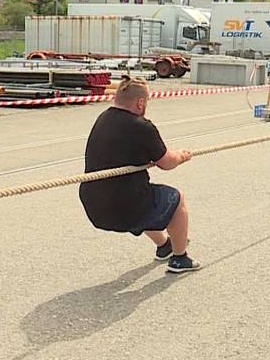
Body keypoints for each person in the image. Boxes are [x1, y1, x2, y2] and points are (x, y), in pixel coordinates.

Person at [78, 77, 201, 273]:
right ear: (140, 102)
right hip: (124, 207)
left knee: (147, 200)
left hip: (94, 205)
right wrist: (182, 156)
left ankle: (164, 246)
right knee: (176, 199)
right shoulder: (142, 126)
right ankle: (180, 258)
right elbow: (167, 163)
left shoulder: (103, 118)